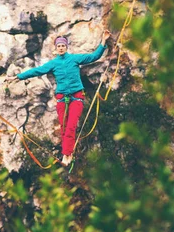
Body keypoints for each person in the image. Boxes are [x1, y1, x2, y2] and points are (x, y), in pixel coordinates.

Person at [6, 31, 110, 166]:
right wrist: (18, 77)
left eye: (63, 45)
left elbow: (94, 56)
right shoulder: (53, 63)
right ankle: (67, 153)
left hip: (76, 97)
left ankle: (67, 154)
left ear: (66, 47)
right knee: (64, 127)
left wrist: (103, 41)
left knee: (71, 126)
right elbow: (36, 71)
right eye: (58, 46)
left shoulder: (74, 59)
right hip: (62, 98)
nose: (61, 48)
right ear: (56, 48)